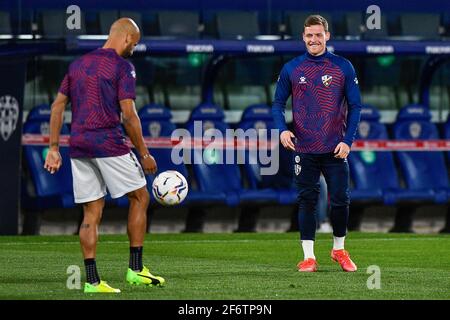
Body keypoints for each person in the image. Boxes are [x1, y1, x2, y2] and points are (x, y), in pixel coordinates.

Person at [44, 18, 165, 292]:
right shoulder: (123, 67)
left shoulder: (77, 65)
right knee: (140, 196)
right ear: (125, 38)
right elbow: (129, 116)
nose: (133, 49)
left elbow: (56, 107)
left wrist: (53, 148)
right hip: (108, 142)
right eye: (133, 44)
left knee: (92, 211)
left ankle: (92, 282)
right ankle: (135, 269)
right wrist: (144, 153)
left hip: (78, 145)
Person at [272, 15, 361, 272]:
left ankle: (339, 250)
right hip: (304, 148)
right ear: (303, 37)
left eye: (318, 35)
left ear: (327, 36)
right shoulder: (292, 68)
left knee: (341, 200)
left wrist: (348, 141)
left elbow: (355, 106)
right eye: (309, 35)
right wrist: (282, 131)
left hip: (335, 147)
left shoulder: (343, 67)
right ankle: (309, 257)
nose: (314, 39)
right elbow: (278, 104)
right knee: (307, 200)